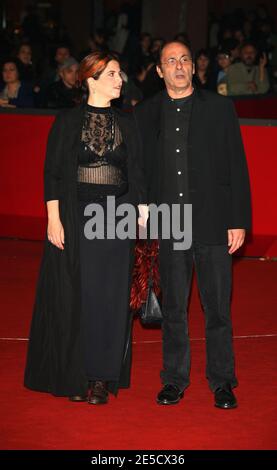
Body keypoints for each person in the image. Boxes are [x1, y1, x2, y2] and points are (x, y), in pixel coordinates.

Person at [24, 51, 147, 405]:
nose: (120, 79)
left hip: (118, 216)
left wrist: (142, 211)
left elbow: (137, 172)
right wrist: (53, 218)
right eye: (112, 74)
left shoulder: (128, 122)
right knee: (82, 296)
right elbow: (54, 173)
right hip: (78, 217)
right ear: (91, 79)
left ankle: (102, 376)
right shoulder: (66, 122)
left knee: (112, 297)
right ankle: (80, 372)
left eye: (120, 73)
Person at [134, 41, 251, 409]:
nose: (179, 66)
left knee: (217, 308)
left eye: (184, 58)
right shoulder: (146, 113)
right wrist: (142, 208)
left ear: (193, 66)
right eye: (170, 61)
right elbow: (140, 168)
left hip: (214, 221)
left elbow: (237, 166)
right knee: (174, 310)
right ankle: (174, 379)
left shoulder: (220, 108)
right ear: (159, 70)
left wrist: (238, 220)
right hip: (170, 222)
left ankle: (222, 382)